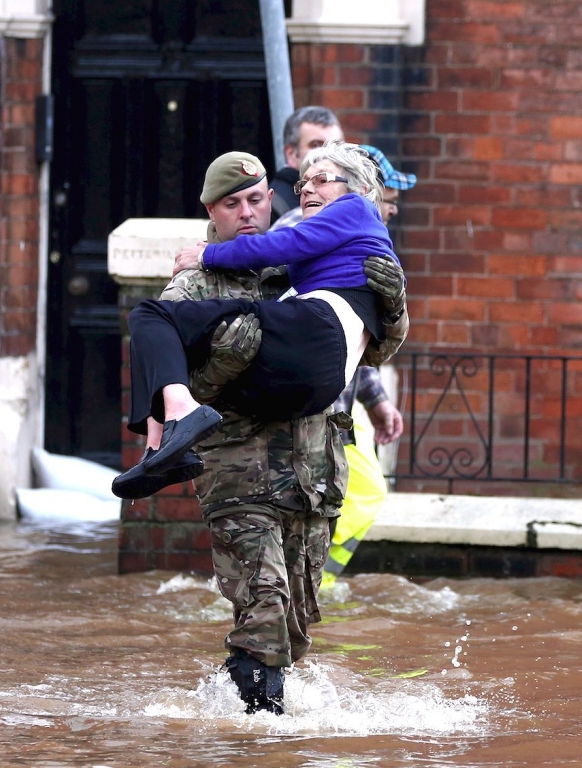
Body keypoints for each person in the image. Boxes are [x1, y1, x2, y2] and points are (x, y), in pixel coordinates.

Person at [115, 149, 408, 714]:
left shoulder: (301, 265)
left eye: (257, 200)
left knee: (295, 623)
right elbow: (173, 372)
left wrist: (392, 305)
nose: (249, 213)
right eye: (233, 204)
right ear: (212, 211)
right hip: (238, 472)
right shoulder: (195, 284)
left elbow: (368, 349)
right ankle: (255, 737)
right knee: (265, 607)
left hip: (313, 474)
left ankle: (259, 722)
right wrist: (226, 360)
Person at [115, 141, 400, 495]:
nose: (308, 187)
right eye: (303, 183)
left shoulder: (352, 209)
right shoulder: (334, 246)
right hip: (258, 462)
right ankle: (161, 447)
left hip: (309, 462)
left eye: (321, 179)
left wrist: (208, 255)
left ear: (361, 188)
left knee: (150, 315)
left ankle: (164, 437)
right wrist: (225, 360)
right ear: (211, 210)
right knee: (160, 326)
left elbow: (283, 244)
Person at [320, 145, 416, 584]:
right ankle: (308, 584)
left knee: (364, 495)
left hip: (341, 404)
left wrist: (376, 401)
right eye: (389, 198)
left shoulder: (367, 238)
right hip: (314, 405)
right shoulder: (315, 232)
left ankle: (317, 584)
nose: (393, 210)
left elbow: (364, 336)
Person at [268, 106, 344, 223]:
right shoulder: (273, 205)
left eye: (335, 146)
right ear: (291, 153)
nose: (328, 153)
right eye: (316, 145)